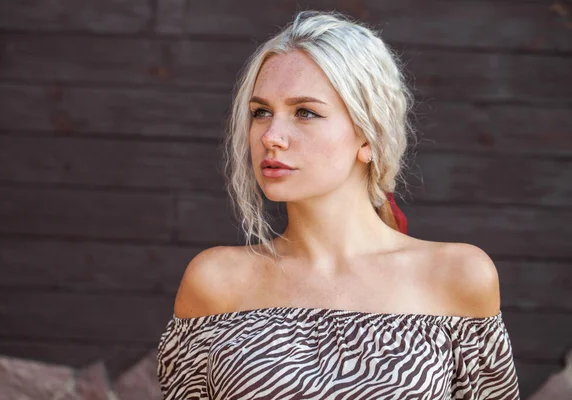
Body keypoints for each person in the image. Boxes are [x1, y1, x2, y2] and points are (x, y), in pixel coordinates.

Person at [157, 10, 520, 399]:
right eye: (261, 112)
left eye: (305, 112)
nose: (272, 136)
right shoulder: (216, 280)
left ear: (368, 136)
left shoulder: (459, 276)